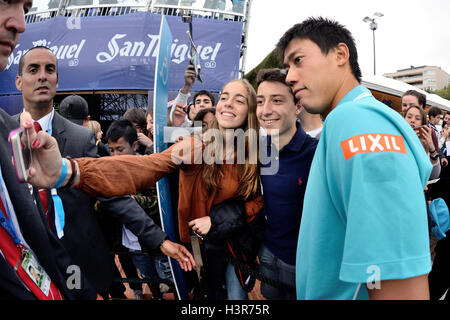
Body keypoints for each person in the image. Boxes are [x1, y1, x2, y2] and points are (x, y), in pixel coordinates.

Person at [22, 78, 263, 300]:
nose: (228, 104)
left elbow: (257, 200)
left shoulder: (256, 152)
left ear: (250, 110)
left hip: (238, 248)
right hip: (202, 252)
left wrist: (216, 219)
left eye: (239, 100)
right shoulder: (195, 145)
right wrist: (69, 171)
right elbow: (145, 167)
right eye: (224, 97)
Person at [14, 46, 195, 297]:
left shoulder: (81, 137)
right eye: (33, 70)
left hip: (74, 263)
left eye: (50, 69)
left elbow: (113, 193)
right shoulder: (5, 136)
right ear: (19, 81)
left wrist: (159, 240)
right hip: (22, 261)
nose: (42, 76)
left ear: (57, 81)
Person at [278, 17, 432, 300]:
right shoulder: (348, 119)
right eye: (287, 67)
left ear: (340, 54)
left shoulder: (354, 119)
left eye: (298, 60)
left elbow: (397, 284)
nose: (289, 76)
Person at [0, 0, 96, 300]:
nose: (20, 23)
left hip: (69, 271)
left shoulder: (79, 138)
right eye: (6, 0)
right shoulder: (11, 131)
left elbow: (34, 232)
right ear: (19, 80)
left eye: (26, 8)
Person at [255, 68, 318, 299]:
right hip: (268, 253)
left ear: (298, 106)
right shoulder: (257, 150)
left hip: (301, 263)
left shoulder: (317, 154)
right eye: (260, 101)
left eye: (277, 100)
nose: (265, 110)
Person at [169, 62, 215, 127]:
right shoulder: (190, 126)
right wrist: (187, 85)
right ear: (194, 108)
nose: (201, 105)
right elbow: (176, 115)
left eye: (206, 102)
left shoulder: (221, 126)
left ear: (213, 107)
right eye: (198, 102)